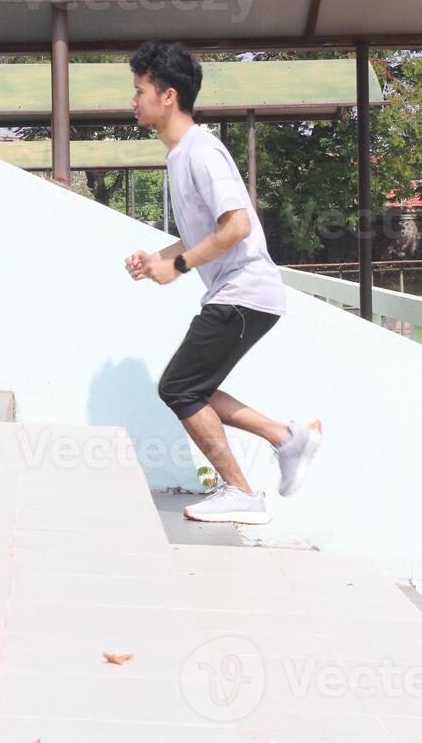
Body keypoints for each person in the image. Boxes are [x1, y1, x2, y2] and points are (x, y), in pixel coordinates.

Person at [125, 41, 322, 525]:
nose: (133, 101)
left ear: (167, 96)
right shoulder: (180, 156)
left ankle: (241, 491)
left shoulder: (202, 152)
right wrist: (159, 259)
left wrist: (183, 265)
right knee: (194, 385)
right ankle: (286, 437)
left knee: (178, 387)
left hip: (245, 292)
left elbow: (236, 227)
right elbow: (204, 234)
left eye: (139, 90)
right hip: (241, 293)